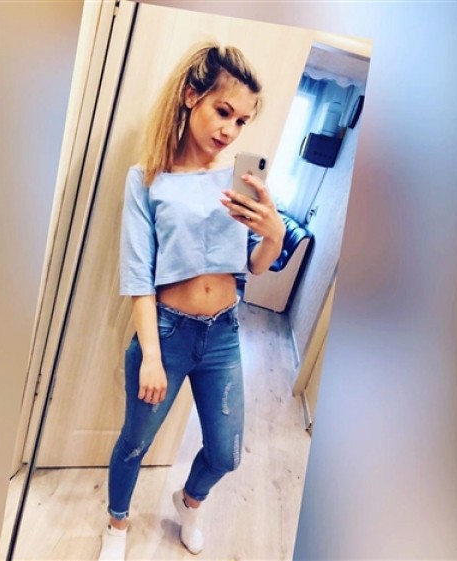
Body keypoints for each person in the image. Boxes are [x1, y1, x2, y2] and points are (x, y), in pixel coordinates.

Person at [98, 42, 285, 561]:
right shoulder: (148, 179)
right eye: (223, 111)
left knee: (226, 452)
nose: (230, 130)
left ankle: (189, 501)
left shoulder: (240, 181)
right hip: (167, 332)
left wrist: (273, 234)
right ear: (190, 96)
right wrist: (151, 356)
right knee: (135, 442)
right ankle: (116, 524)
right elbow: (138, 275)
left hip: (223, 334)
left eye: (241, 121)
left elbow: (254, 265)